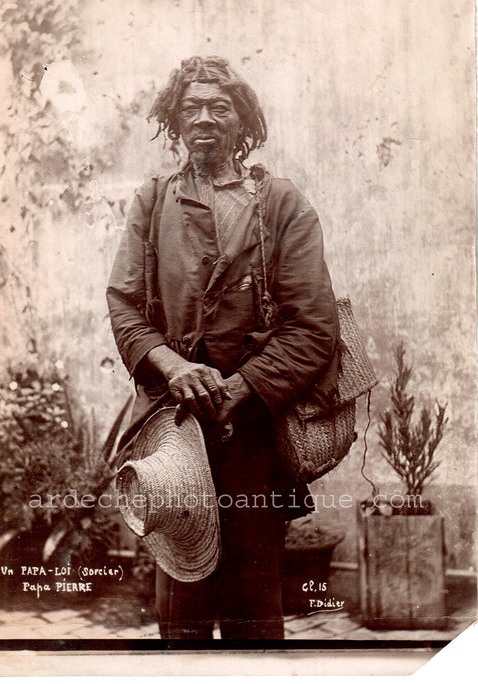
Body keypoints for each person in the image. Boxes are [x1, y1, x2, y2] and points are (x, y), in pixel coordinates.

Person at [107, 55, 339, 640]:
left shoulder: (281, 205)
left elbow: (313, 325)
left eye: (220, 106)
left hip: (254, 431)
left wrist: (241, 387)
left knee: (254, 607)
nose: (205, 118)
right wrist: (172, 364)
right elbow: (125, 306)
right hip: (174, 431)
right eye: (192, 107)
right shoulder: (153, 201)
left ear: (243, 120)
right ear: (174, 120)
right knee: (181, 604)